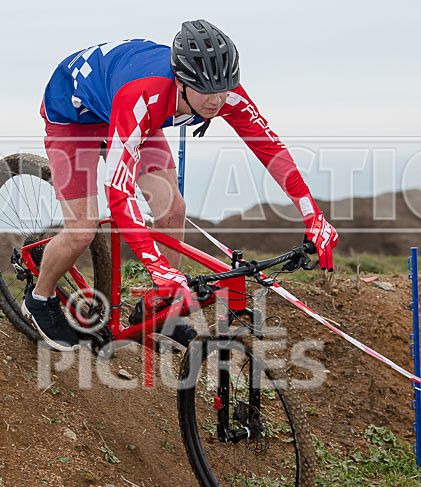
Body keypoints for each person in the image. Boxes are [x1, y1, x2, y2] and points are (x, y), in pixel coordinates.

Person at [22, 19, 339, 352]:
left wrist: (313, 215)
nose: (217, 100)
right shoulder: (145, 95)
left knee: (173, 209)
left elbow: (270, 149)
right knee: (82, 231)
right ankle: (40, 297)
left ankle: (160, 308)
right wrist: (157, 267)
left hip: (131, 110)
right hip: (77, 115)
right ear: (181, 81)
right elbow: (118, 190)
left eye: (224, 87)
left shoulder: (222, 92)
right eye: (206, 89)